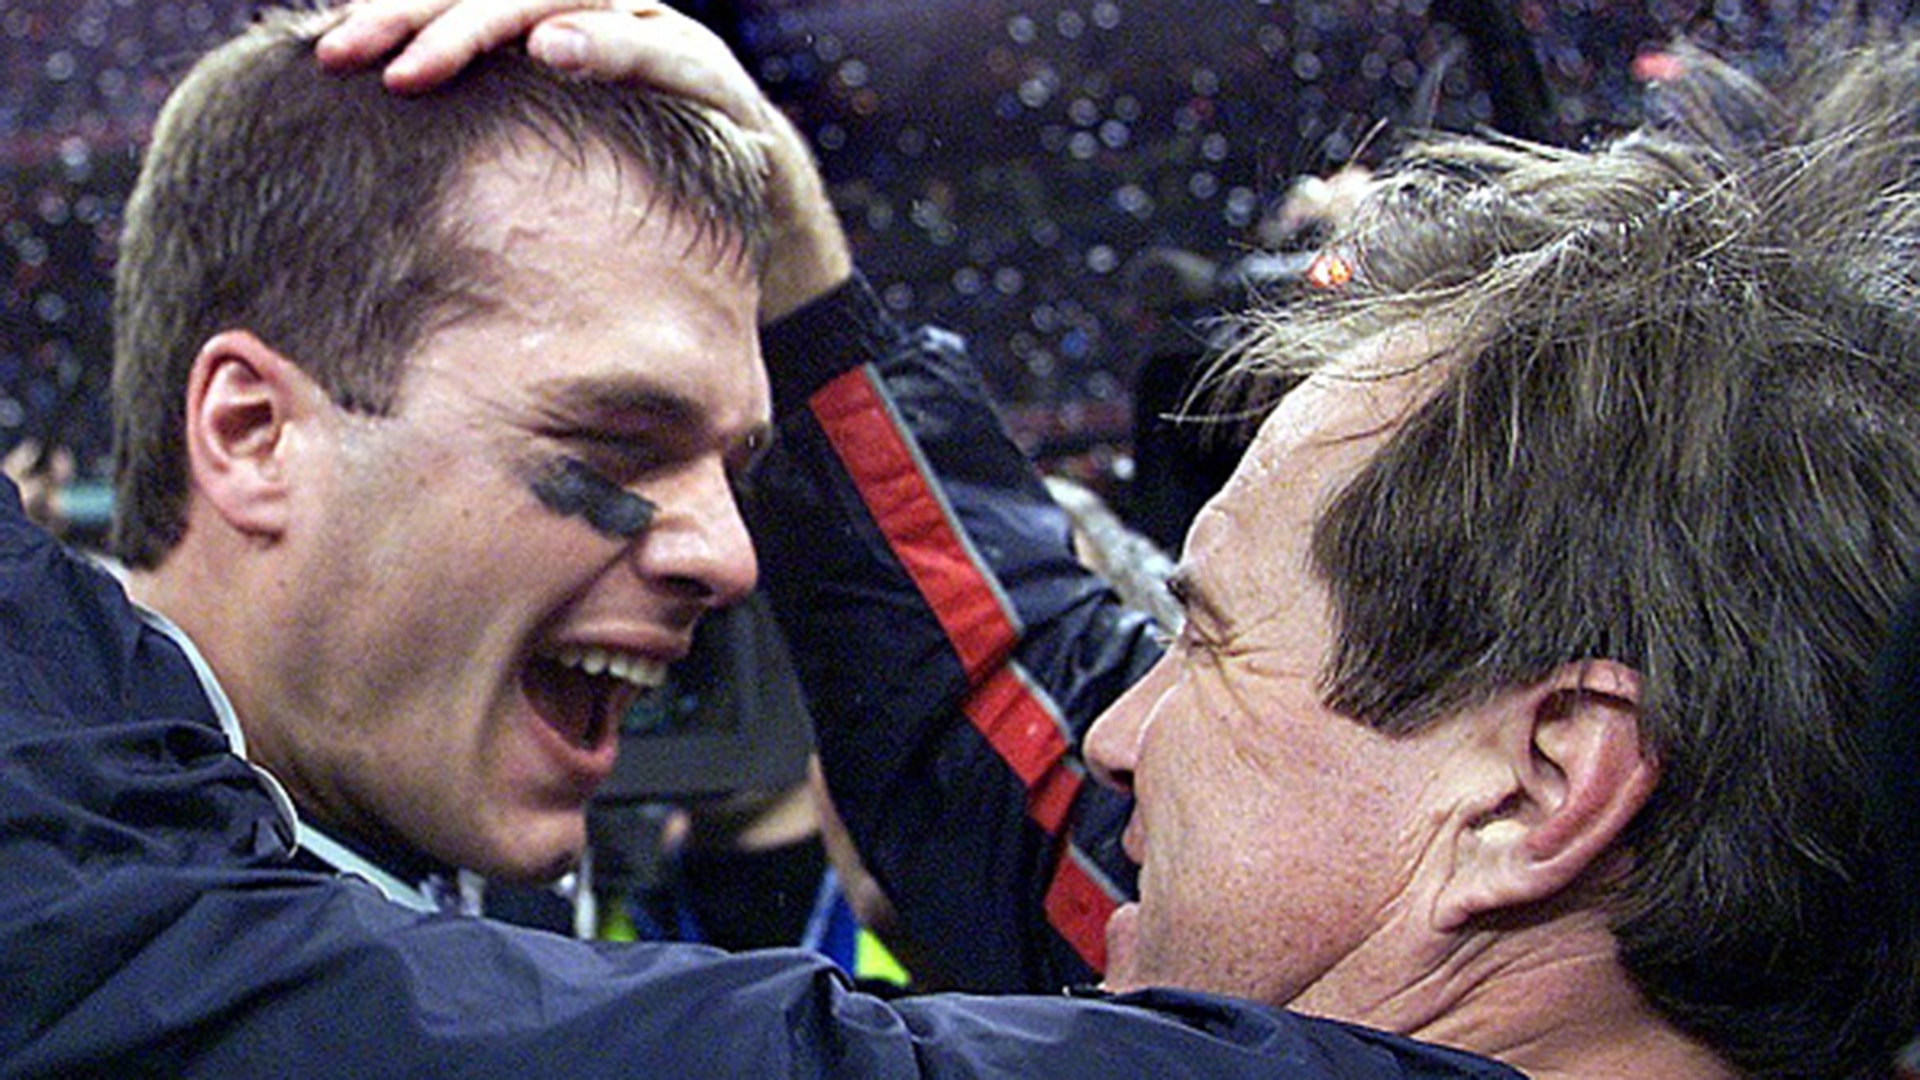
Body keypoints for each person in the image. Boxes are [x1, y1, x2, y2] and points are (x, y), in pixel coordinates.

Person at [328, 5, 1920, 1075]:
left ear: (1545, 783)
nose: (1113, 726)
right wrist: (807, 309)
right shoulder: (1326, 932)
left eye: (1203, 637)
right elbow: (1000, 712)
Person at [0, 4, 1522, 1077]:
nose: (732, 559)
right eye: (611, 445)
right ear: (257, 435)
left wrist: (809, 278)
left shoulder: (477, 865)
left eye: (738, 467)